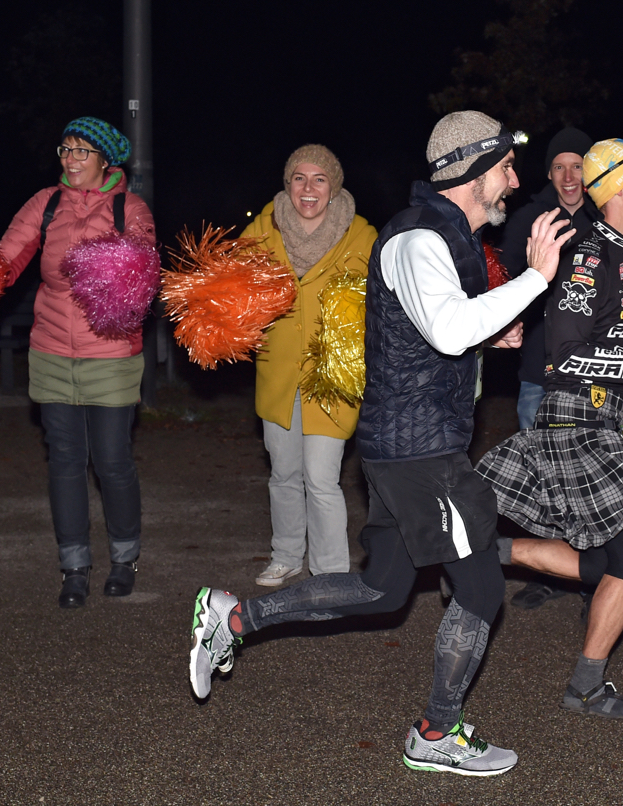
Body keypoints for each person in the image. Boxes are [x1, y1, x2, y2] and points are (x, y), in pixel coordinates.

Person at [188, 111, 573, 777]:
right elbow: (449, 330)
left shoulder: (439, 238)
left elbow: (436, 333)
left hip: (407, 449)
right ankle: (435, 731)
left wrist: (490, 335)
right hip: (421, 454)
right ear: (475, 172)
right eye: (505, 167)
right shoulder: (418, 239)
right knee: (480, 590)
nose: (514, 181)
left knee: (383, 591)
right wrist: (536, 277)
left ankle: (235, 616)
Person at [477, 138, 623, 720]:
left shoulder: (616, 253)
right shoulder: (593, 258)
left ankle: (479, 552)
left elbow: (599, 341)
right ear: (621, 188)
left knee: (603, 562)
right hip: (576, 424)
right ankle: (585, 688)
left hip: (601, 422)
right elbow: (562, 358)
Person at [0, 117, 156, 608]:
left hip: (110, 352)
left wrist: (113, 271)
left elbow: (144, 271)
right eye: (65, 149)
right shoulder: (44, 203)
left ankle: (125, 558)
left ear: (106, 160)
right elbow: (7, 259)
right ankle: (74, 568)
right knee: (65, 462)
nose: (70, 158)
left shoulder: (130, 208)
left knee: (111, 461)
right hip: (50, 349)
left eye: (82, 151)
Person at [245, 145, 377, 586]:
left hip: (333, 376)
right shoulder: (260, 231)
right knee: (283, 473)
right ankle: (286, 555)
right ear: (287, 183)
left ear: (334, 186)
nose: (308, 188)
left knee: (321, 477)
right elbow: (231, 295)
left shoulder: (363, 236)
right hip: (277, 371)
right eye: (299, 178)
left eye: (319, 179)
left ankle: (331, 571)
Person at [495, 126, 601, 611]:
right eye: (559, 166)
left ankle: (593, 574)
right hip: (540, 368)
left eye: (577, 165)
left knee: (594, 475)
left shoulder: (608, 217)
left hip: (597, 372)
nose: (568, 175)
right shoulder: (531, 217)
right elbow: (513, 282)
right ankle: (547, 571)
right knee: (542, 474)